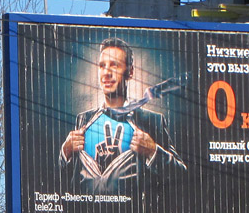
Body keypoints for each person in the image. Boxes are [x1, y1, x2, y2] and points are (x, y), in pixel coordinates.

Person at [59, 37, 186, 194]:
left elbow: (182, 176)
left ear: (130, 72)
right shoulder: (83, 120)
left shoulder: (153, 121)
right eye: (102, 66)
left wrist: (153, 151)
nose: (107, 73)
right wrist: (65, 152)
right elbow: (61, 183)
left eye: (114, 65)